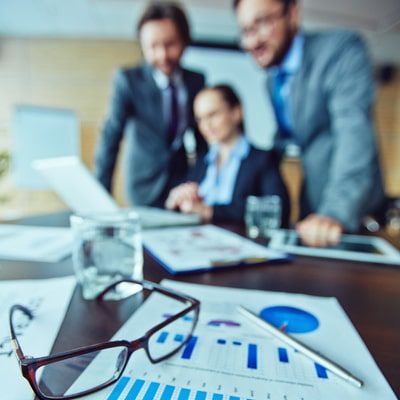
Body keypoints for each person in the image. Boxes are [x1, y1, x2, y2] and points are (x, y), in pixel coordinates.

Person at [233, 0, 386, 246]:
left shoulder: (341, 51)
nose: (252, 42)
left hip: (353, 213)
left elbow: (352, 133)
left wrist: (335, 212)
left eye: (262, 22)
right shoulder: (273, 82)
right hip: (311, 207)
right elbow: (282, 140)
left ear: (293, 13)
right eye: (246, 31)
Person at [94, 2, 206, 208]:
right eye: (153, 46)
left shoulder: (196, 81)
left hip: (181, 185)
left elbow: (202, 142)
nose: (162, 55)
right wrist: (100, 201)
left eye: (170, 44)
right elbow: (111, 137)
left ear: (184, 40)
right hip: (143, 185)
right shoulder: (128, 80)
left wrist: (197, 181)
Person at [165, 84, 290, 225]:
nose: (206, 125)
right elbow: (189, 207)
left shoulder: (263, 159)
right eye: (200, 119)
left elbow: (278, 210)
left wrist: (209, 211)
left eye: (212, 115)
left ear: (236, 113)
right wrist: (175, 201)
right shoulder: (203, 161)